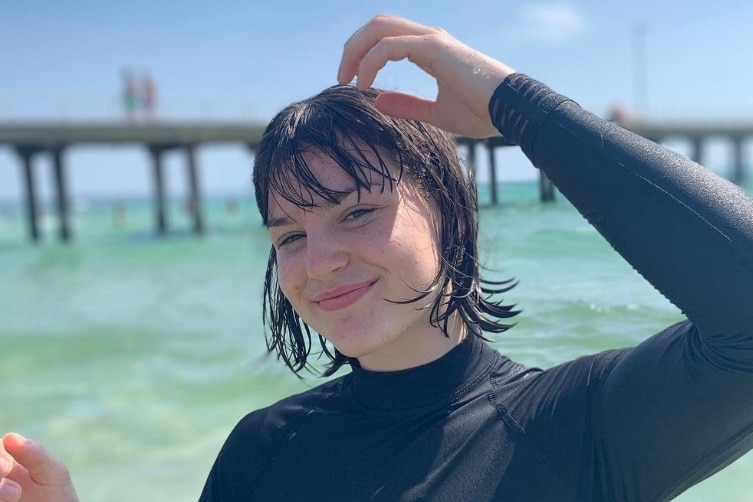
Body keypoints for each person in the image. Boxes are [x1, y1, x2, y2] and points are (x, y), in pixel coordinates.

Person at [2, 14, 753, 502]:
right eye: (288, 234)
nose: (318, 260)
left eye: (357, 211)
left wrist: (513, 105)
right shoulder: (265, 449)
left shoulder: (580, 424)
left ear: (451, 216)